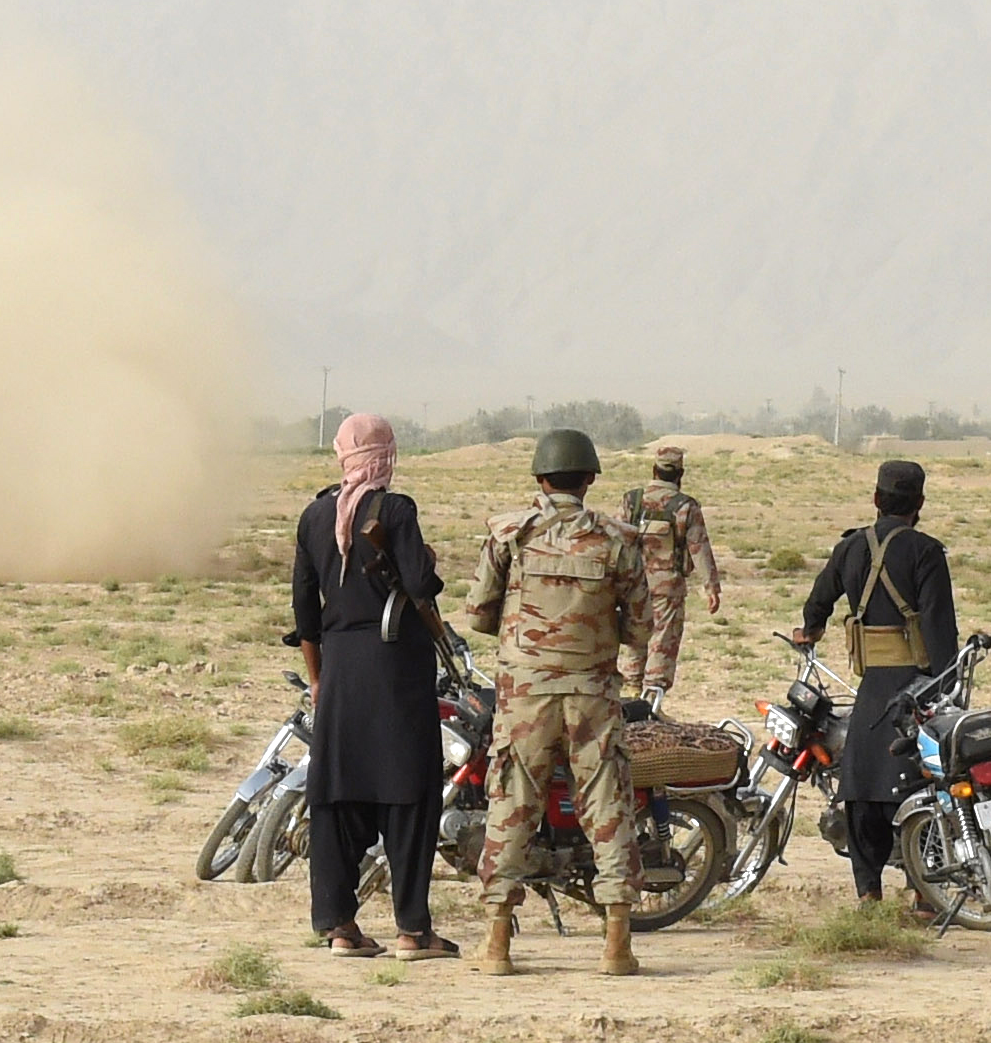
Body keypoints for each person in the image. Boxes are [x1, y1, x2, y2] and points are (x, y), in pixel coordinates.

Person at [461, 428, 649, 977]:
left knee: (513, 804)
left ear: (540, 479)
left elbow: (478, 614)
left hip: (525, 696)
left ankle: (497, 943)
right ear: (590, 479)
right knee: (608, 805)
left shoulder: (510, 534)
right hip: (592, 694)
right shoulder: (619, 541)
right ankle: (616, 944)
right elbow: (640, 630)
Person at [287, 413, 456, 961]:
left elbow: (303, 614)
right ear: (387, 456)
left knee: (337, 796)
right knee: (410, 793)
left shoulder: (314, 516)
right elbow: (420, 584)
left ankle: (339, 926)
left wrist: (319, 681)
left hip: (338, 672)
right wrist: (427, 565)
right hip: (396, 669)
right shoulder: (396, 510)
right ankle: (412, 930)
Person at [787, 459, 957, 909]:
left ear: (876, 500)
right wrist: (945, 688)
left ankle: (869, 894)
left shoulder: (850, 549)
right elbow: (941, 629)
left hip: (871, 692)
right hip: (916, 688)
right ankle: (923, 892)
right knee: (927, 786)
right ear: (919, 505)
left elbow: (818, 601)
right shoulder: (926, 551)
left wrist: (811, 629)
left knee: (860, 788)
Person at [617, 444, 722, 714]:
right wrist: (711, 587)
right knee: (662, 643)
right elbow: (699, 548)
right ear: (680, 474)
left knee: (635, 639)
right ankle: (651, 704)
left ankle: (631, 696)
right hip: (668, 588)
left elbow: (617, 542)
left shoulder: (632, 500)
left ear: (654, 469)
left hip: (633, 585)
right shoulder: (685, 507)